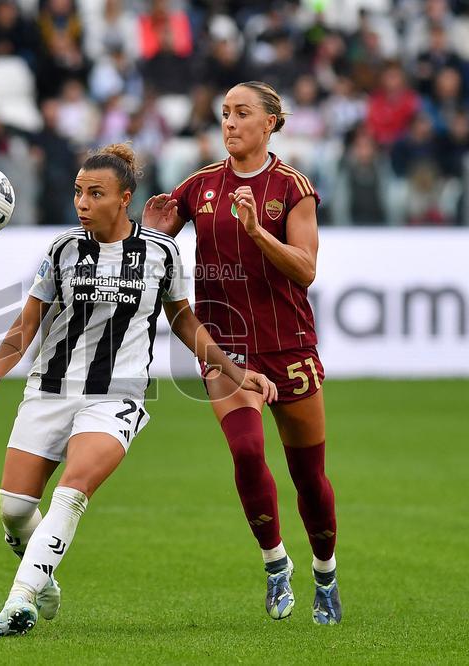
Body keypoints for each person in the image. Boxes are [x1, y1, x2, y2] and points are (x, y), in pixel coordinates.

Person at [0, 144, 278, 637]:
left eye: (95, 193)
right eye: (78, 192)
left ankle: (20, 599)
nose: (82, 203)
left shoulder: (161, 253)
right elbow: (27, 324)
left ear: (124, 198)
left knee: (72, 492)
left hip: (117, 396)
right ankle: (43, 578)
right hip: (49, 389)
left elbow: (185, 321)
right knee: (15, 509)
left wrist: (237, 373)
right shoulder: (63, 249)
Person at [143, 81, 342, 624]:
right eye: (225, 113)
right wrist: (150, 236)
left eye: (242, 113)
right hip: (226, 347)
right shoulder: (199, 186)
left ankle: (325, 573)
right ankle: (275, 564)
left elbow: (305, 269)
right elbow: (151, 253)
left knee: (309, 477)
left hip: (289, 346)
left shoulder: (294, 188)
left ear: (270, 122)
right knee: (248, 452)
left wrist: (257, 231)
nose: (229, 123)